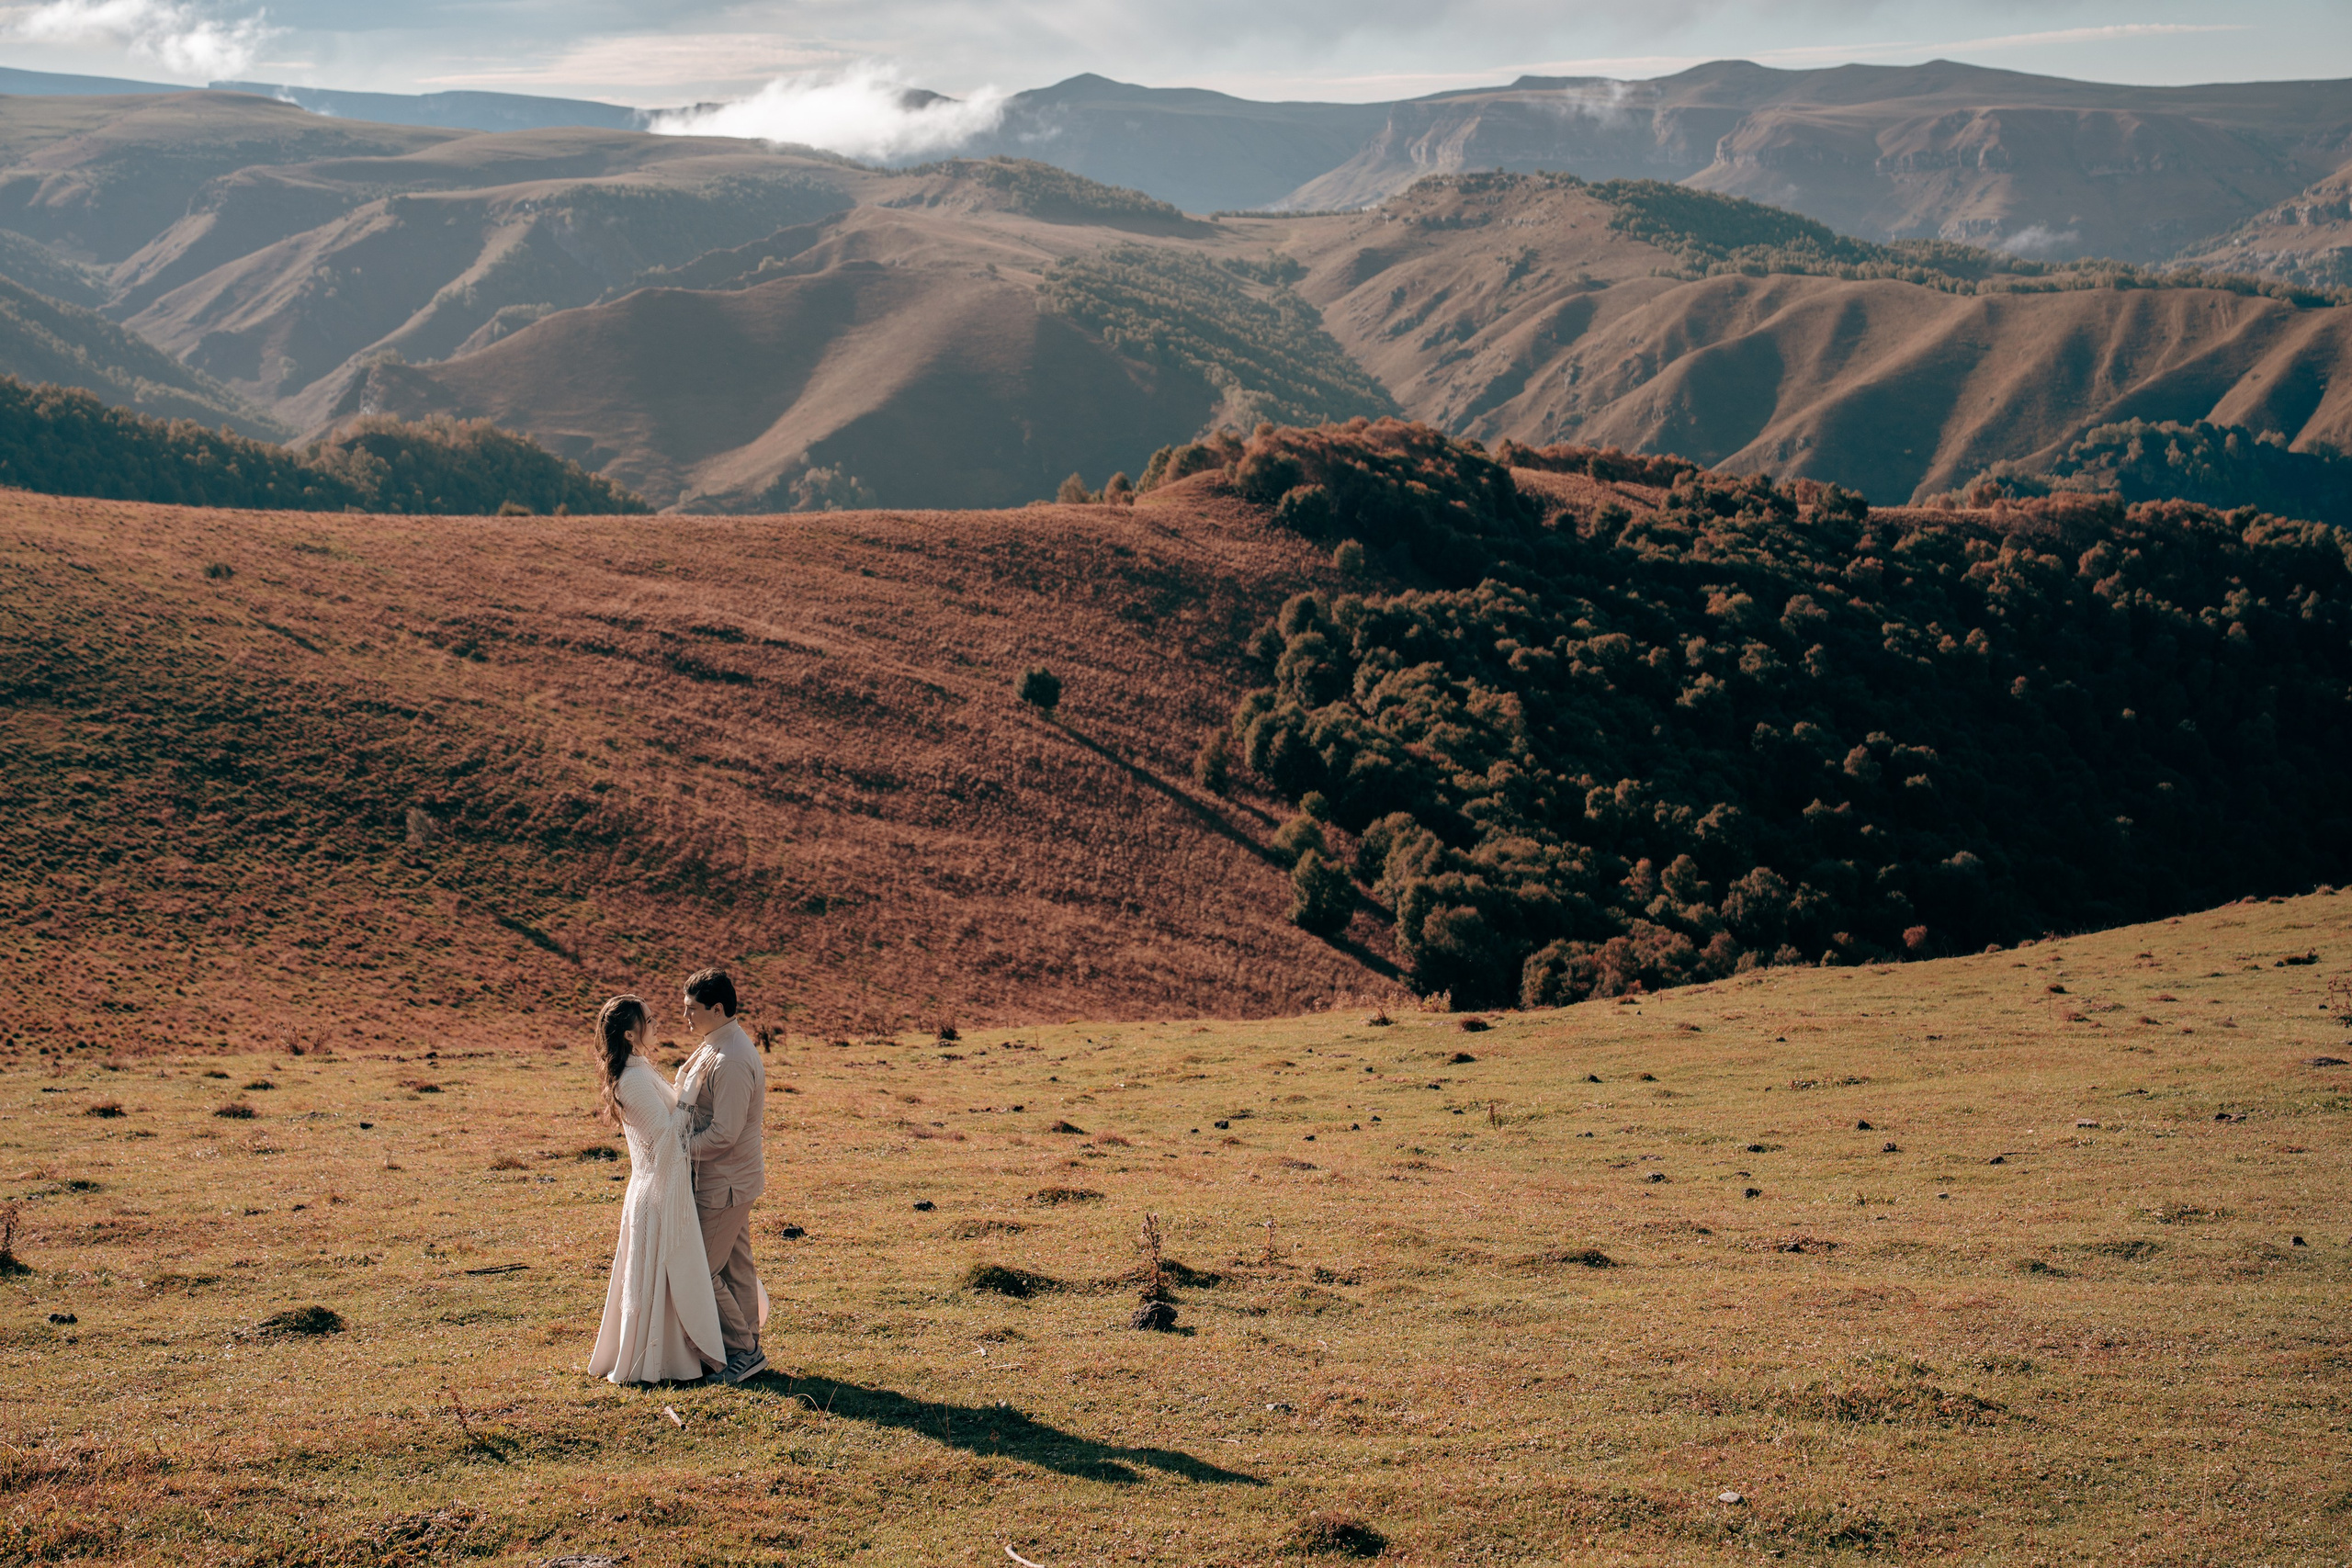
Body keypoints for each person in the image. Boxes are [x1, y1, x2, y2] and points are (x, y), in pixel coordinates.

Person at [584, 995, 725, 1385]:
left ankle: (679, 1354)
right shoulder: (631, 1080)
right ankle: (658, 1360)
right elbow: (665, 1141)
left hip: (663, 1189)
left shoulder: (640, 1068)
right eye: (650, 1019)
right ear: (631, 1034)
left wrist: (682, 1084)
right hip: (657, 1194)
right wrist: (690, 1095)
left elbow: (666, 1115)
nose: (657, 1022)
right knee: (664, 1279)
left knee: (674, 1276)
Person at [673, 967, 770, 1384]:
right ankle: (748, 1348)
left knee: (703, 1269)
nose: (686, 1017)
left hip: (724, 1183)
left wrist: (675, 1149)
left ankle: (744, 1352)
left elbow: (724, 1134)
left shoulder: (731, 1059)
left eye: (692, 1009)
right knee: (736, 1268)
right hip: (728, 1179)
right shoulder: (715, 1043)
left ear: (716, 1009)